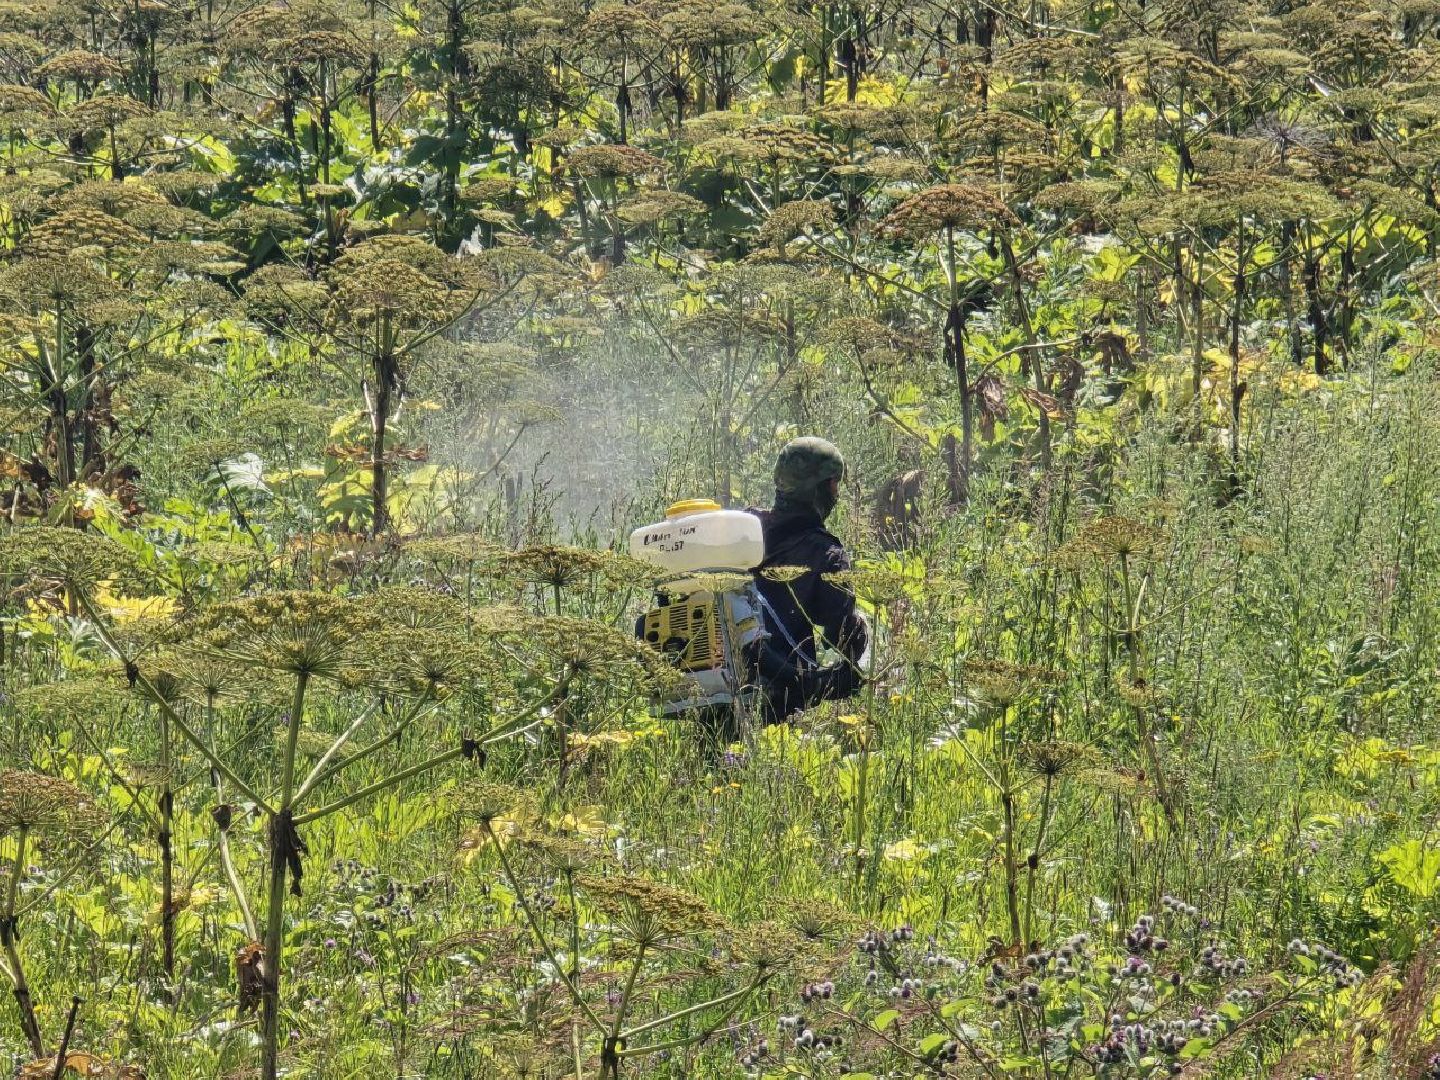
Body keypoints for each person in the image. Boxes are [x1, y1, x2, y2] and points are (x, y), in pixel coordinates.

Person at [747, 436, 868, 722]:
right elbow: (843, 638)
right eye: (835, 484)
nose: (836, 493)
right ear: (822, 488)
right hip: (781, 701)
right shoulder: (826, 553)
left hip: (720, 688)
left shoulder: (745, 527)